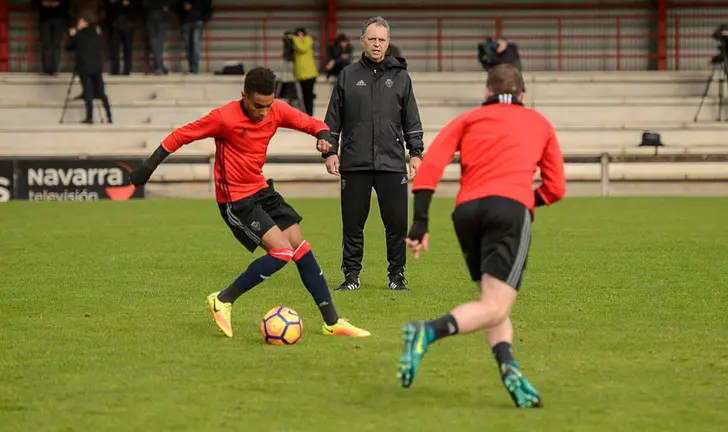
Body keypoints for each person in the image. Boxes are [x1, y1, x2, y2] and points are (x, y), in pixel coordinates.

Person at [128, 67, 370, 339]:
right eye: (257, 105)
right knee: (281, 253)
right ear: (244, 96)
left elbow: (314, 124)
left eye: (268, 105)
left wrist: (324, 138)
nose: (264, 112)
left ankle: (331, 321)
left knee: (299, 246)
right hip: (235, 199)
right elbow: (180, 136)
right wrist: (147, 168)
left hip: (261, 190)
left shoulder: (276, 110)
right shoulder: (223, 118)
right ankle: (223, 299)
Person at [396, 64, 566, 408]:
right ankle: (427, 332)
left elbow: (429, 167)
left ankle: (509, 369)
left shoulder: (468, 119)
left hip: (467, 213)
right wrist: (525, 199)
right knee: (495, 304)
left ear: (487, 93)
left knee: (491, 303)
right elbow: (556, 188)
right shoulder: (540, 123)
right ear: (522, 95)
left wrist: (421, 223)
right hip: (509, 211)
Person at [322, 16, 424, 292]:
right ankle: (351, 276)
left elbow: (411, 120)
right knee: (353, 223)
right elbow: (332, 120)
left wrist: (415, 153)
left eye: (382, 40)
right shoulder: (347, 76)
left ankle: (397, 276)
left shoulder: (401, 77)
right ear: (362, 41)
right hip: (355, 163)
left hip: (392, 163)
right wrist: (330, 152)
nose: (377, 44)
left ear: (388, 43)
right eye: (372, 39)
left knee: (396, 223)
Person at [67, 12, 113, 124]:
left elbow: (69, 47)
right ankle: (109, 116)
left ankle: (89, 117)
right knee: (101, 92)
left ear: (86, 22)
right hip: (96, 66)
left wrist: (73, 34)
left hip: (84, 67)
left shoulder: (79, 35)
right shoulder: (97, 34)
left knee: (88, 92)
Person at [177, 0, 212, 74]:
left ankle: (194, 68)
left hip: (196, 21)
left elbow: (208, 6)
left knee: (195, 45)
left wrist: (205, 19)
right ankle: (192, 67)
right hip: (186, 21)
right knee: (188, 46)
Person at [34, 0, 69, 76]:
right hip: (45, 19)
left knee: (56, 45)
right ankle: (46, 69)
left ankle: (54, 69)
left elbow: (66, 4)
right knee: (46, 45)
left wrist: (57, 3)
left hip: (58, 18)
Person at [290, 27, 319, 116]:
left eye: (301, 34)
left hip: (309, 74)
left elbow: (302, 48)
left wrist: (294, 38)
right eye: (297, 35)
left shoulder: (307, 40)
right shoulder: (296, 44)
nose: (300, 36)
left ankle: (309, 114)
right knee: (304, 96)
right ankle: (307, 113)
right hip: (301, 74)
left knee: (308, 96)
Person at [106, 0, 135, 76]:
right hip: (115, 24)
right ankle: (115, 69)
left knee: (127, 49)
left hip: (128, 24)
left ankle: (127, 70)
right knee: (114, 48)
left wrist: (128, 5)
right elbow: (109, 7)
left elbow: (135, 8)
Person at [142, 0, 170, 75]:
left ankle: (158, 65)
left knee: (155, 43)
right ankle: (159, 65)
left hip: (152, 17)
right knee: (157, 43)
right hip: (157, 18)